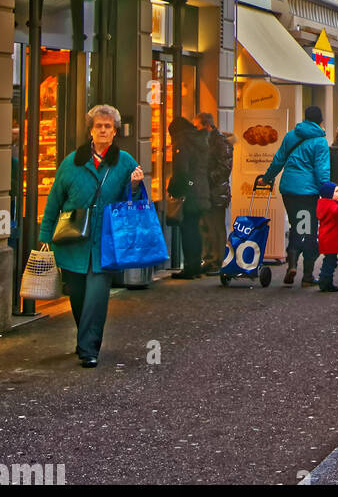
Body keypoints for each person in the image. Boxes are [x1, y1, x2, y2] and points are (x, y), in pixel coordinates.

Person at [38, 105, 144, 367]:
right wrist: (45, 235)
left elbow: (135, 204)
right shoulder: (72, 162)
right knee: (77, 296)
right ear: (91, 131)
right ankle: (84, 338)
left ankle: (89, 349)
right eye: (99, 126)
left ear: (115, 131)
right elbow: (54, 200)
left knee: (96, 296)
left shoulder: (126, 162)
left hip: (105, 242)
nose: (104, 130)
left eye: (109, 126)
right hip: (73, 242)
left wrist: (135, 185)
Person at [261, 104, 330, 287]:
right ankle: (307, 276)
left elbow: (278, 160)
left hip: (289, 190)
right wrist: (327, 191)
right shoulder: (320, 141)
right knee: (307, 231)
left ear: (305, 117)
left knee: (297, 225)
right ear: (320, 120)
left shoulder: (291, 135)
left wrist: (267, 178)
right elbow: (321, 170)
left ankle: (292, 264)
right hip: (307, 193)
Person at [168, 115, 212, 279]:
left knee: (188, 230)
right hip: (201, 189)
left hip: (191, 191)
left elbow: (182, 170)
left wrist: (175, 189)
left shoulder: (183, 141)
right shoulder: (199, 140)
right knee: (195, 229)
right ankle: (195, 265)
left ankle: (189, 267)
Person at [194, 112, 234, 275]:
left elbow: (224, 169)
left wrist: (206, 178)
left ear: (206, 125)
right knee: (206, 226)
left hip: (216, 191)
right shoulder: (209, 141)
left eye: (197, 126)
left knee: (216, 227)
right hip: (207, 190)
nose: (195, 129)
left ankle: (218, 261)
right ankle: (210, 259)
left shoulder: (219, 142)